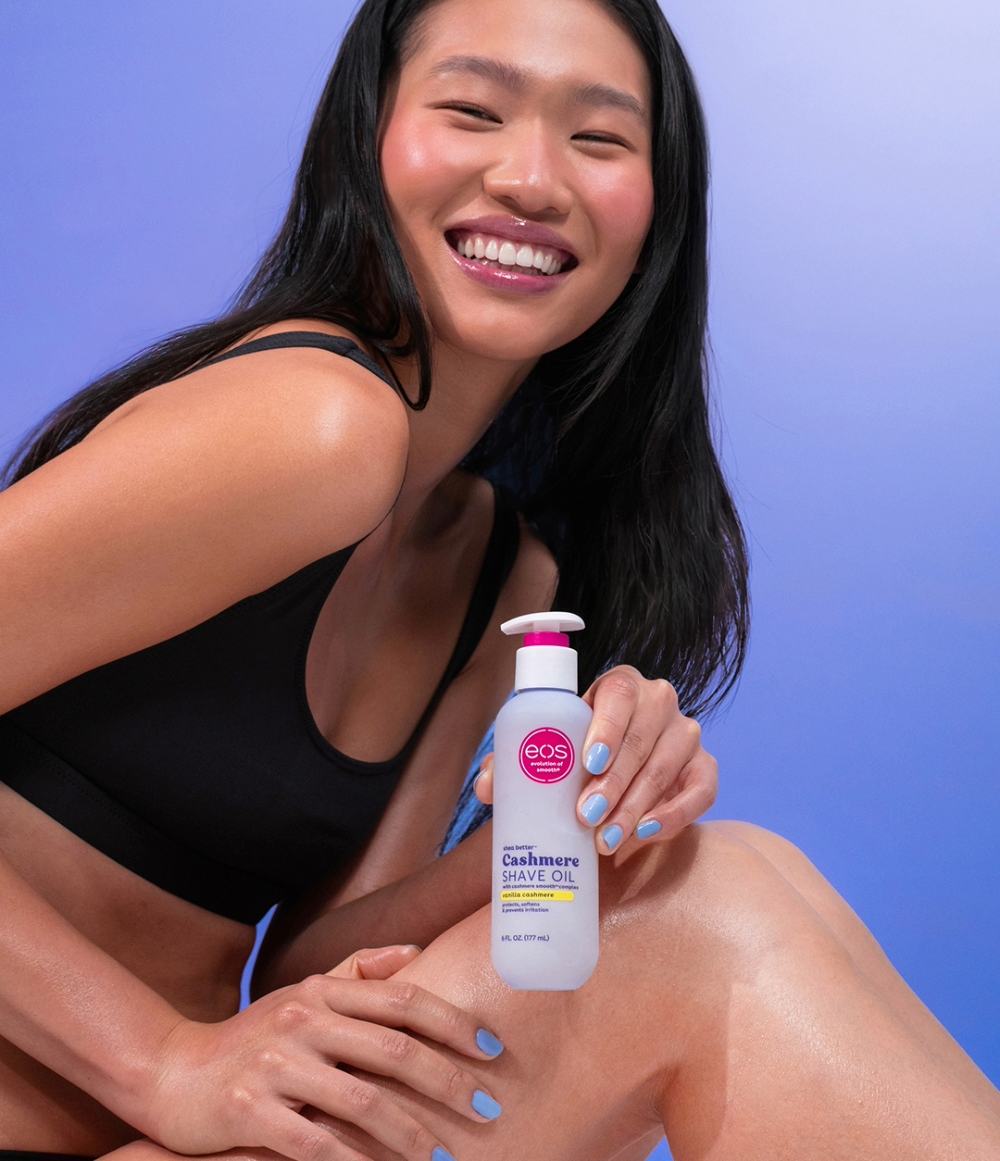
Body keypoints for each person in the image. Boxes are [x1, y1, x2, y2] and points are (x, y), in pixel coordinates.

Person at [1, 1, 997, 1160]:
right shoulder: (312, 425)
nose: (531, 179)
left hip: (179, 1138)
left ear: (658, 210)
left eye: (598, 138)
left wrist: (582, 822)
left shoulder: (500, 573)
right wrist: (161, 1060)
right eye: (473, 111)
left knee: (684, 884)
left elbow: (315, 966)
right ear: (366, 139)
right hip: (143, 1109)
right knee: (714, 908)